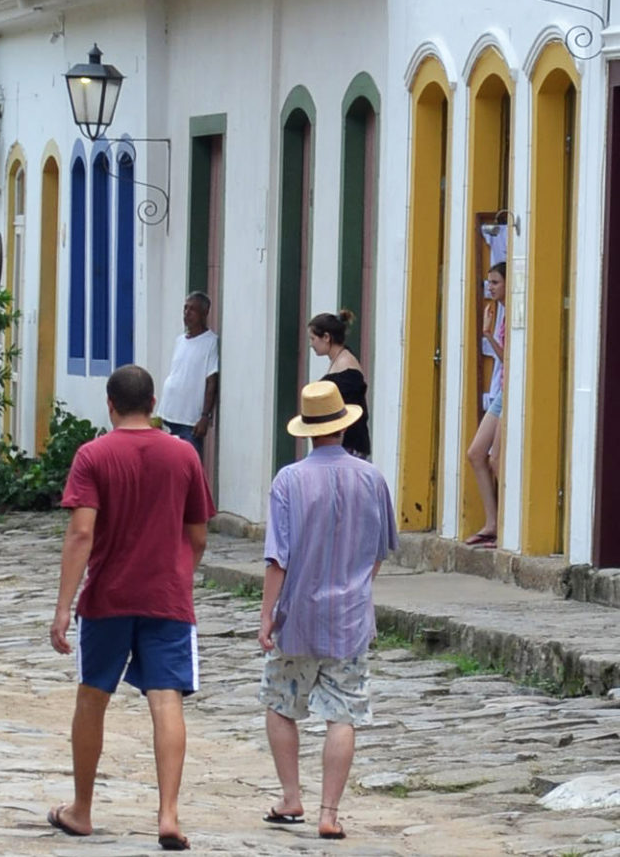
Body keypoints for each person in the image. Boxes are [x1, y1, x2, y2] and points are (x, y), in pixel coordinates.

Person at [48, 364, 213, 851]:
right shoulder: (183, 456)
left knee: (92, 698)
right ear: (155, 403)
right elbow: (198, 534)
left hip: (108, 598)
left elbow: (81, 532)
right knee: (167, 701)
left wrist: (63, 607)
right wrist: (179, 574)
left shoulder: (93, 455)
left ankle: (81, 808)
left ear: (110, 405)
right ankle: (168, 814)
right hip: (166, 597)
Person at [258, 380, 396, 841]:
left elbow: (279, 558)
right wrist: (357, 586)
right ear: (343, 425)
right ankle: (329, 812)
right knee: (343, 714)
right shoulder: (372, 478)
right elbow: (379, 551)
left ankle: (290, 796)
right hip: (350, 619)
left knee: (281, 703)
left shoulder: (289, 481)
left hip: (297, 615)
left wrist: (266, 616)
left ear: (307, 430)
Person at [464, 263, 508, 547]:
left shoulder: (510, 311)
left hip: (509, 392)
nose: (490, 287)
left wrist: (489, 334)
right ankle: (492, 522)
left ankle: (503, 525)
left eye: (495, 282)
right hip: (501, 390)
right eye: (488, 282)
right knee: (476, 453)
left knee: (496, 460)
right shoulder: (499, 311)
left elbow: (509, 359)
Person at [157, 293, 219, 455]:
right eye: (185, 308)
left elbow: (211, 382)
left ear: (204, 313)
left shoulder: (210, 342)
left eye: (193, 309)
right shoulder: (180, 340)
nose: (187, 313)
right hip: (169, 413)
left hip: (190, 421)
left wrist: (205, 416)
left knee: (189, 464)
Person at [307, 310, 370, 460]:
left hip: (349, 447)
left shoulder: (346, 368)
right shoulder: (340, 362)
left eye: (313, 338)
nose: (311, 344)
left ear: (326, 337)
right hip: (344, 446)